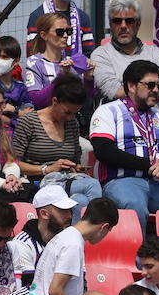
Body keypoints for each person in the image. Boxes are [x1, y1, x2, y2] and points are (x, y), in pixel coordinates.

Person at [16, 197, 119, 295]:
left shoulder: (66, 237)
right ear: (104, 227)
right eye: (109, 231)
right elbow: (55, 290)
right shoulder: (73, 243)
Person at [89, 59, 159, 225]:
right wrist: (148, 165)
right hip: (122, 182)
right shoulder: (108, 111)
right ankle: (139, 251)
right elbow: (104, 151)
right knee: (134, 204)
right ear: (131, 86)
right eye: (150, 85)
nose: (156, 90)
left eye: (158, 86)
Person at [12, 76, 102, 211]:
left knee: (80, 200)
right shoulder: (28, 122)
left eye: (75, 113)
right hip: (40, 182)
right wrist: (46, 169)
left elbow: (75, 158)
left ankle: (76, 231)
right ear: (54, 101)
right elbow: (14, 164)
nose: (70, 117)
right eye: (67, 112)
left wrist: (76, 167)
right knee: (92, 185)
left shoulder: (72, 123)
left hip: (65, 179)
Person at [89, 0, 159, 103]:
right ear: (110, 25)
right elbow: (113, 91)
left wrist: (127, 84)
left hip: (153, 117)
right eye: (117, 21)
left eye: (129, 21)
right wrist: (154, 81)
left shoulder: (155, 53)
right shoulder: (101, 55)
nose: (123, 26)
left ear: (138, 24)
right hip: (118, 117)